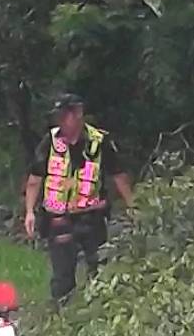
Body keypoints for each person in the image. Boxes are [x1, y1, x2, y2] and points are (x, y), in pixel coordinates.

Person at [23, 93, 134, 306]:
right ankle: (61, 320)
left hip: (92, 216)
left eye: (65, 116)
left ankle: (99, 315)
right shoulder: (50, 142)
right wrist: (29, 212)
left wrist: (134, 206)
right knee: (63, 278)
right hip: (59, 219)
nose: (61, 121)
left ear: (78, 114)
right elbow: (34, 179)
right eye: (59, 117)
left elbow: (118, 175)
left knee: (100, 269)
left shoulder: (98, 141)